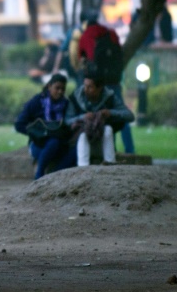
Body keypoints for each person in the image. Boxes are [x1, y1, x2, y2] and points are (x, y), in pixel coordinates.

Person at [76, 16, 136, 154]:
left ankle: (110, 149)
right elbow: (119, 55)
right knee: (121, 114)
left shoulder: (87, 35)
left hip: (98, 84)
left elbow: (83, 58)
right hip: (114, 81)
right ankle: (130, 149)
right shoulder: (111, 33)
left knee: (103, 116)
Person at [65, 66, 135, 166]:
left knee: (107, 129)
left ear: (100, 88)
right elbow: (67, 120)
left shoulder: (110, 97)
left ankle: (110, 164)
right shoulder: (75, 98)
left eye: (90, 87)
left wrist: (110, 113)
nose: (86, 90)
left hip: (102, 141)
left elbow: (129, 115)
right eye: (85, 85)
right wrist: (83, 117)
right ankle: (83, 168)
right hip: (81, 142)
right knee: (83, 134)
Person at [14, 73, 76, 179]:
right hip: (39, 144)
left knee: (75, 151)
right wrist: (37, 133)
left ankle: (53, 175)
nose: (60, 91)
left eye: (63, 89)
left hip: (61, 144)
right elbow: (19, 125)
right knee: (53, 142)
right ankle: (39, 175)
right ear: (49, 86)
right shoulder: (37, 102)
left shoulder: (66, 104)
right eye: (57, 88)